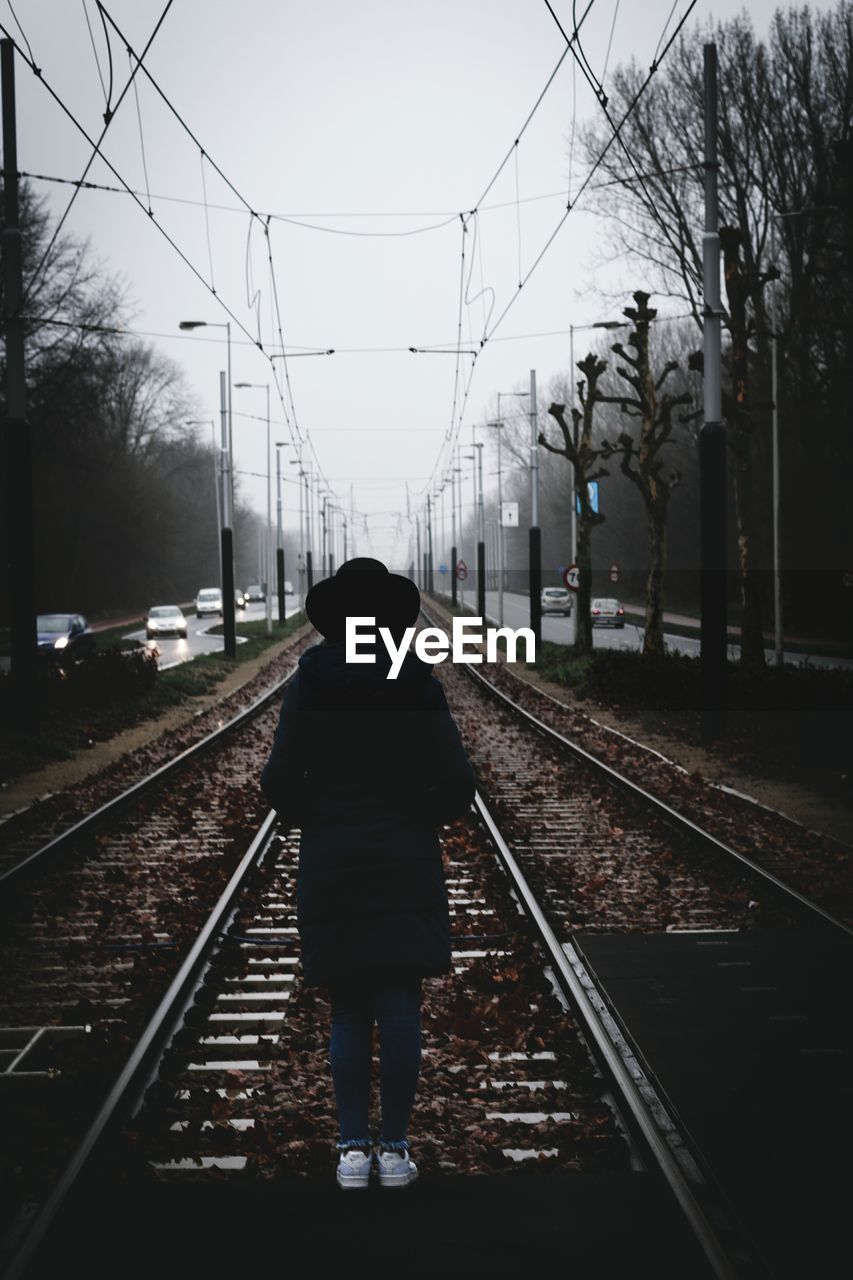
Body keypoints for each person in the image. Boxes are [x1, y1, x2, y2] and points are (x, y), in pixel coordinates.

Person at [261, 558, 475, 1190]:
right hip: (404, 859)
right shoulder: (414, 678)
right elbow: (459, 781)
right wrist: (418, 817)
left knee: (349, 1007)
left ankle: (352, 1151)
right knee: (400, 1003)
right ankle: (396, 1150)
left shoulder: (309, 681)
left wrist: (319, 817)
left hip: (333, 862)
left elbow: (277, 782)